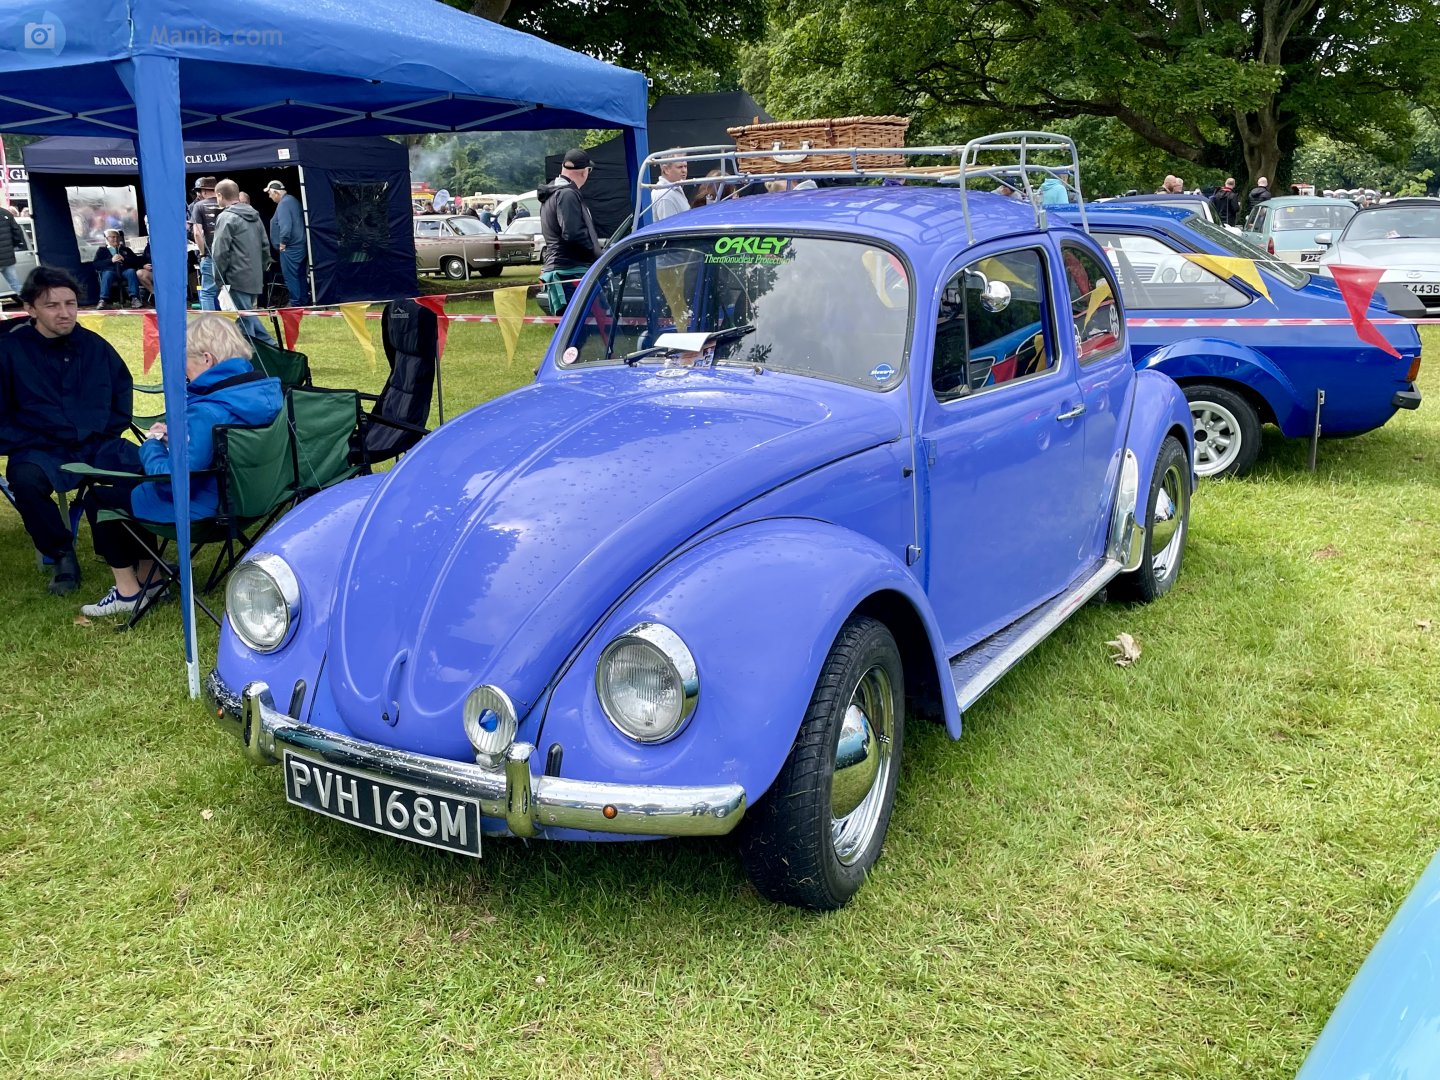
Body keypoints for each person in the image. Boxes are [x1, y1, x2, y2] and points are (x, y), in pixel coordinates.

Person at [78, 314, 284, 617]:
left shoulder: (208, 410)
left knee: (97, 497)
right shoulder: (265, 395)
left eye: (186, 365)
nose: (185, 374)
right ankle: (152, 577)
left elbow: (169, 478)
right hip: (253, 503)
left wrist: (152, 444)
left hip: (204, 510)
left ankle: (128, 592)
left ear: (207, 358)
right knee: (130, 483)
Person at [0, 266, 136, 595]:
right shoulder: (9, 350)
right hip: (39, 447)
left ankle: (139, 557)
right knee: (26, 480)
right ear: (30, 308)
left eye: (71, 304)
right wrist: (26, 440)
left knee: (142, 465)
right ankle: (61, 554)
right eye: (52, 305)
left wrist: (106, 431)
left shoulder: (94, 346)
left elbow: (121, 392)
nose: (65, 313)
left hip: (96, 442)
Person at [210, 178, 277, 345]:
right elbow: (264, 246)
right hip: (254, 276)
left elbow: (220, 252)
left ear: (219, 195)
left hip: (236, 277)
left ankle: (252, 361)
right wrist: (259, 270)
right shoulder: (254, 215)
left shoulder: (226, 217)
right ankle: (273, 349)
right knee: (248, 317)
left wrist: (218, 279)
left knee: (244, 325)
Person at [538, 148, 602, 314]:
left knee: (570, 335)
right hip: (570, 271)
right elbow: (573, 234)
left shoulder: (553, 192)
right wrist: (597, 254)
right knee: (583, 333)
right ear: (585, 171)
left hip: (561, 270)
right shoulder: (567, 194)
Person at [264, 179, 308, 306]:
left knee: (291, 277)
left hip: (290, 248)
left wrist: (282, 243)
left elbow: (286, 226)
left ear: (276, 193)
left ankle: (295, 303)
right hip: (300, 246)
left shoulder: (284, 204)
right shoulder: (293, 201)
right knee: (300, 275)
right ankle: (304, 301)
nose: (269, 196)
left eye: (270, 193)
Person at [189, 176, 221, 310]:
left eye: (199, 191)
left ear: (204, 191)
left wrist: (202, 253)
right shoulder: (226, 204)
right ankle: (230, 325)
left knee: (207, 292)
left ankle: (210, 327)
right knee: (227, 291)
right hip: (228, 255)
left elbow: (197, 233)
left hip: (209, 255)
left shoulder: (198, 206)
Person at [91, 228, 144, 309]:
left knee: (131, 271)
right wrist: (111, 260)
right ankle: (103, 300)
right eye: (112, 237)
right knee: (107, 274)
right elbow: (96, 264)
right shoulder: (102, 250)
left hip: (124, 270)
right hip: (110, 271)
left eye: (117, 237)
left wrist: (124, 259)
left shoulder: (126, 249)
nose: (115, 239)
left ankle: (134, 298)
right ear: (107, 239)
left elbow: (136, 261)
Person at [651, 152, 690, 221]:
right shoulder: (665, 195)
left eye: (685, 166)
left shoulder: (674, 187)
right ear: (666, 169)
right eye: (680, 167)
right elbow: (669, 227)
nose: (684, 170)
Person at [0, 202, 27, 296]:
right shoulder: (6, 213)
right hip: (8, 258)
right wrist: (17, 245)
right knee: (16, 285)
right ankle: (29, 304)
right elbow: (17, 232)